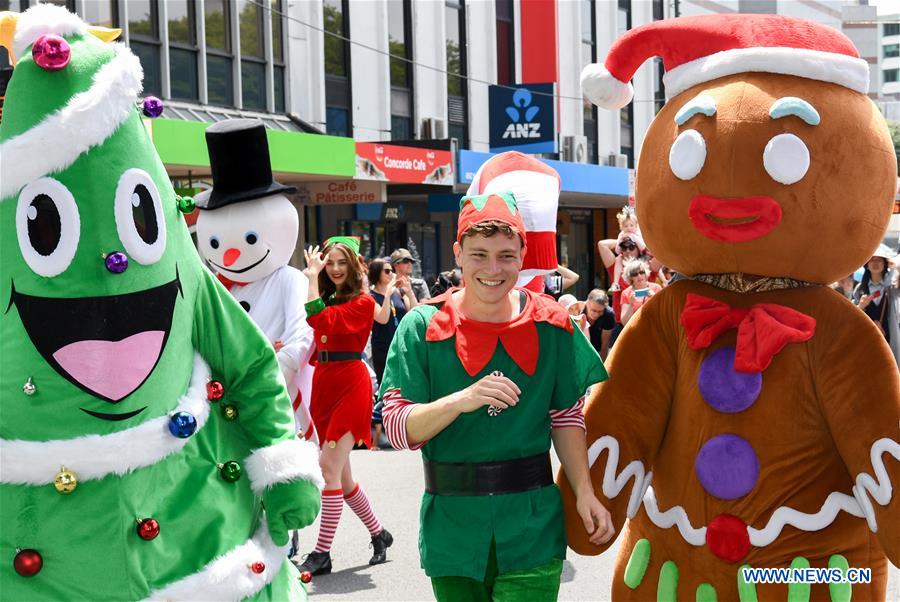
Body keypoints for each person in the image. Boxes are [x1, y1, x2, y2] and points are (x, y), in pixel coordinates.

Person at [380, 192, 614, 601]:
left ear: (523, 253)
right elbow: (398, 429)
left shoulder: (553, 323)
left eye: (506, 255)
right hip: (452, 529)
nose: (493, 268)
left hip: (532, 524)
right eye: (479, 254)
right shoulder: (421, 326)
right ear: (458, 253)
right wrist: (460, 399)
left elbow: (565, 417)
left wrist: (585, 492)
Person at [298, 236, 392, 576]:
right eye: (330, 262)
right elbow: (313, 322)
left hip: (351, 383)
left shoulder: (363, 302)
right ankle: (380, 534)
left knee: (327, 469)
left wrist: (310, 278)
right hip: (325, 382)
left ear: (352, 266)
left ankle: (322, 553)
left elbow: (318, 320)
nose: (335, 269)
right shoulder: (328, 297)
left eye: (341, 262)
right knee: (343, 479)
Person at [369, 258, 415, 384]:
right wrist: (387, 293)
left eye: (392, 271)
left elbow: (414, 313)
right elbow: (383, 319)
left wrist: (410, 292)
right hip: (383, 348)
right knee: (387, 386)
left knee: (405, 385)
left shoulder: (398, 293)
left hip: (402, 346)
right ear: (377, 273)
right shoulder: (371, 297)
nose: (392, 274)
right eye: (387, 271)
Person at [853, 245, 894, 342]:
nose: (875, 263)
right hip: (866, 337)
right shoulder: (859, 289)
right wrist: (861, 306)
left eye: (879, 260)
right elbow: (852, 316)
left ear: (885, 264)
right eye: (872, 260)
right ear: (866, 264)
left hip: (889, 337)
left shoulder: (892, 288)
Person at [619, 260, 663, 326]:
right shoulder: (626, 293)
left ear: (646, 274)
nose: (639, 276)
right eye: (634, 274)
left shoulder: (656, 288)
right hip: (636, 329)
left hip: (655, 328)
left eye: (642, 272)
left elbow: (664, 312)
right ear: (630, 277)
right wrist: (631, 305)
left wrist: (655, 299)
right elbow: (625, 323)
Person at [584, 289, 616, 360]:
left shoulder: (608, 315)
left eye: (600, 311)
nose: (596, 314)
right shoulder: (578, 310)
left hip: (598, 351)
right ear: (587, 303)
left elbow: (604, 346)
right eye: (593, 310)